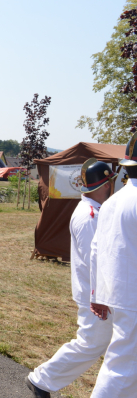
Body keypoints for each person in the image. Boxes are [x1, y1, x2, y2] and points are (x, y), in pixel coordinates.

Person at [25, 159, 115, 398]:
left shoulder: (93, 211)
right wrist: (99, 296)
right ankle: (41, 380)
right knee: (90, 344)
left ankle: (42, 380)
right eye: (112, 182)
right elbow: (93, 260)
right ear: (106, 185)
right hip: (94, 295)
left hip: (97, 293)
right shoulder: (90, 216)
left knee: (98, 345)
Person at [89, 134, 137, 398]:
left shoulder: (112, 202)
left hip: (120, 293)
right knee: (123, 369)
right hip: (133, 297)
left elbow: (98, 250)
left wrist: (98, 294)